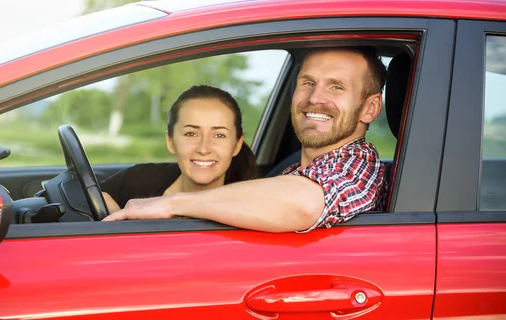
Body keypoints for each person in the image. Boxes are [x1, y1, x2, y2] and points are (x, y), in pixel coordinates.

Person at [103, 47, 387, 233]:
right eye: (308, 83)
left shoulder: (359, 166)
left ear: (370, 108)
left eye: (336, 87)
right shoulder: (295, 172)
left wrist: (169, 204)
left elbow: (306, 202)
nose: (315, 99)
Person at [100, 85, 256, 213]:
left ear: (237, 145)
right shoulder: (139, 181)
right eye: (191, 133)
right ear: (170, 141)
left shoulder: (252, 204)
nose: (203, 149)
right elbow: (87, 199)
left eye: (219, 135)